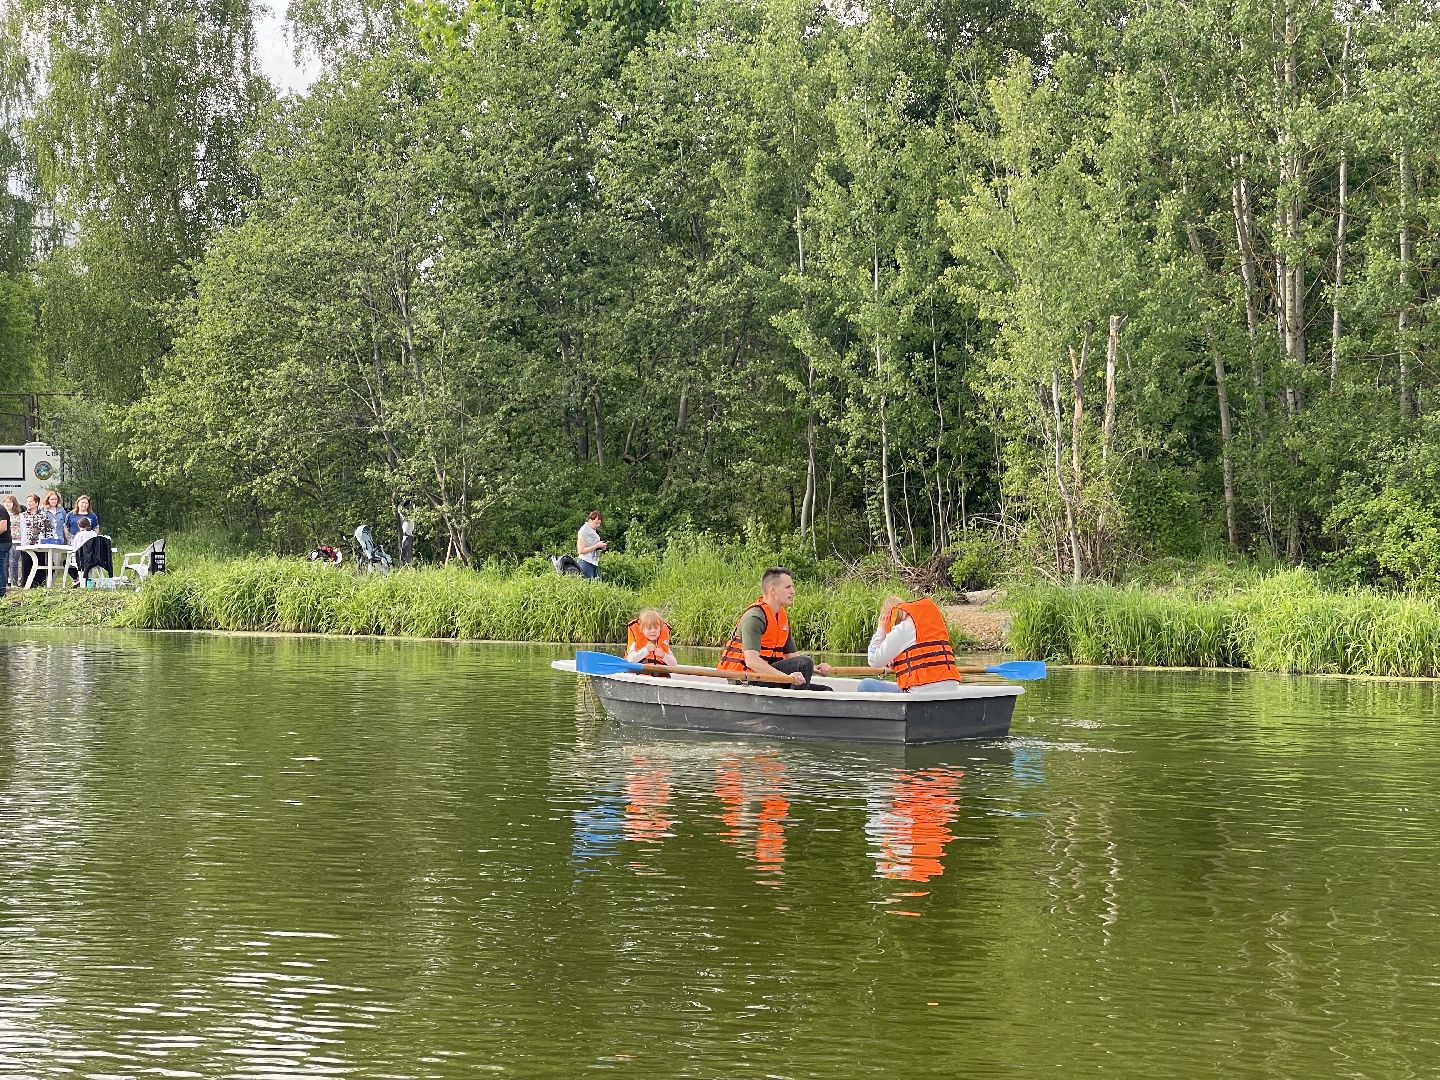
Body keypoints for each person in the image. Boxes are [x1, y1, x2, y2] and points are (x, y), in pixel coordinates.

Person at [718, 566, 834, 690]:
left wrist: (816, 669)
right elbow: (752, 661)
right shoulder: (755, 618)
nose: (793, 591)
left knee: (826, 691)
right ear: (773, 590)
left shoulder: (781, 617)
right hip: (748, 680)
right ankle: (793, 706)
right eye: (788, 587)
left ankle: (793, 704)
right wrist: (785, 677)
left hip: (769, 677)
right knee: (805, 662)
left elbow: (792, 657)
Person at [862, 595, 963, 694]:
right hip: (951, 686)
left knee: (865, 685)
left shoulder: (902, 629)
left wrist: (881, 630)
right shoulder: (932, 625)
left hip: (921, 690)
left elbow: (874, 660)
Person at [576, 510, 606, 580]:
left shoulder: (593, 530)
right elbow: (581, 550)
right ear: (590, 520)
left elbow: (593, 545)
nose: (598, 525)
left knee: (597, 586)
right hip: (585, 562)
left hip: (594, 562)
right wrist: (597, 545)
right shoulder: (583, 531)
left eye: (599, 523)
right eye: (596, 523)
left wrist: (601, 546)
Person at [397, 500, 416, 566]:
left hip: (408, 536)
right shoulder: (406, 519)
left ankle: (406, 564)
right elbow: (399, 510)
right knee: (405, 551)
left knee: (407, 552)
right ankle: (404, 563)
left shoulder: (411, 518)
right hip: (406, 536)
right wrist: (403, 501)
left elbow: (414, 509)